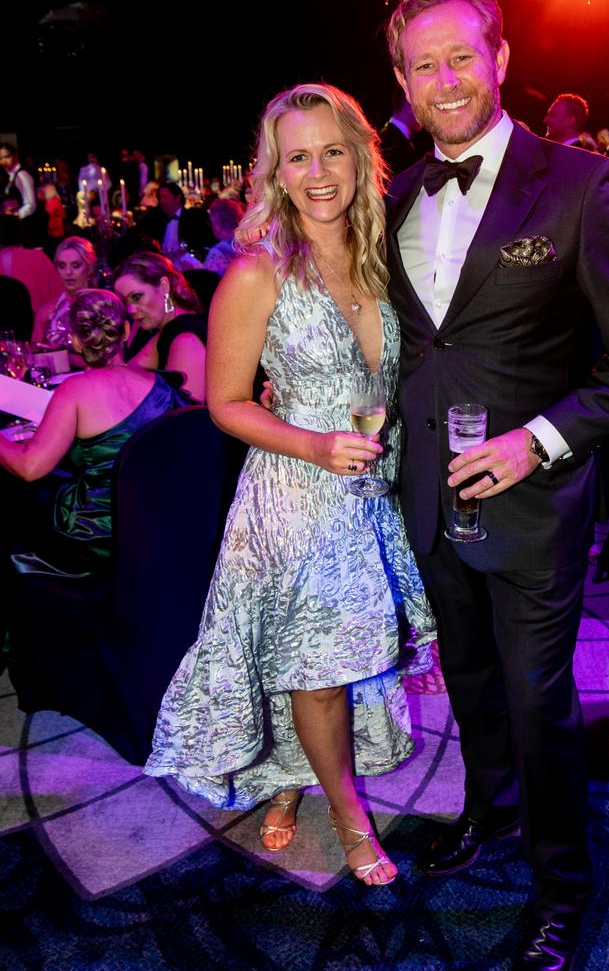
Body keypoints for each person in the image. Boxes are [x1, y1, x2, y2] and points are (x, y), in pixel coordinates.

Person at [386, 0, 609, 967]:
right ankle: (488, 811)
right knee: (466, 680)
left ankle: (564, 886)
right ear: (402, 81)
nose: (448, 78)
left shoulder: (577, 184)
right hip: (430, 491)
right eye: (424, 64)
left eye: (463, 54)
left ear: (501, 58)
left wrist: (539, 441)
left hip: (536, 500)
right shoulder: (396, 193)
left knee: (536, 694)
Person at [145, 83, 435, 887]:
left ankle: (287, 775)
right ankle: (348, 816)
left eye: (332, 150)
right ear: (274, 171)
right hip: (296, 496)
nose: (317, 171)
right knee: (318, 667)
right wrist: (311, 441)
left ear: (360, 157)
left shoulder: (390, 257)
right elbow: (224, 402)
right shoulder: (257, 273)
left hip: (375, 488)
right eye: (296, 155)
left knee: (341, 655)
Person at [0, 289, 182, 570]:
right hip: (153, 524)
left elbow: (30, 466)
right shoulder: (162, 385)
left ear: (73, 339)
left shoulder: (76, 390)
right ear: (124, 330)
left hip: (96, 538)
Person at [113, 252, 207, 403]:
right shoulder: (167, 330)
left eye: (137, 297)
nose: (130, 309)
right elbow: (123, 375)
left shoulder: (185, 336)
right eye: (125, 302)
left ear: (164, 286)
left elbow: (187, 418)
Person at [31, 236, 97, 349]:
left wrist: (66, 357)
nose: (68, 272)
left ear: (89, 268)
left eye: (76, 266)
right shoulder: (46, 312)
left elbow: (112, 360)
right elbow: (34, 356)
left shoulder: (105, 307)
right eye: (62, 266)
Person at [203, 196, 244, 275]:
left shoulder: (217, 252)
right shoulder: (248, 244)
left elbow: (208, 283)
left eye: (211, 222)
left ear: (217, 223)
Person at [0, 142, 37, 220]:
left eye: (7, 157)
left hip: (25, 224)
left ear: (15, 156)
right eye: (0, 158)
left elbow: (31, 205)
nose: (4, 161)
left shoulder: (22, 174)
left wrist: (15, 215)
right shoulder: (9, 175)